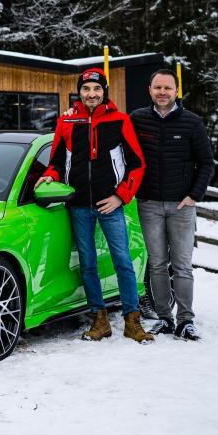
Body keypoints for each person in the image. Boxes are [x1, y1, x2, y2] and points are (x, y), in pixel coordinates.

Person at [35, 68, 153, 343]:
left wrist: (120, 196)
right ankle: (99, 321)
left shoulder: (120, 120)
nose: (91, 94)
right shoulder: (66, 121)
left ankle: (132, 321)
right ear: (79, 92)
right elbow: (56, 162)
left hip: (110, 204)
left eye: (97, 89)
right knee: (87, 264)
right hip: (78, 206)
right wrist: (49, 176)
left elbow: (137, 164)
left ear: (104, 92)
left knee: (122, 261)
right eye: (86, 89)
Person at [130, 68, 214, 340]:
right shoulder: (137, 119)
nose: (162, 92)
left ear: (177, 91)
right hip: (149, 204)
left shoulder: (192, 122)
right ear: (150, 90)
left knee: (182, 266)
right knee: (156, 264)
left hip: (182, 206)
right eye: (158, 87)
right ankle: (165, 318)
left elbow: (207, 163)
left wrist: (194, 195)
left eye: (167, 88)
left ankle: (185, 320)